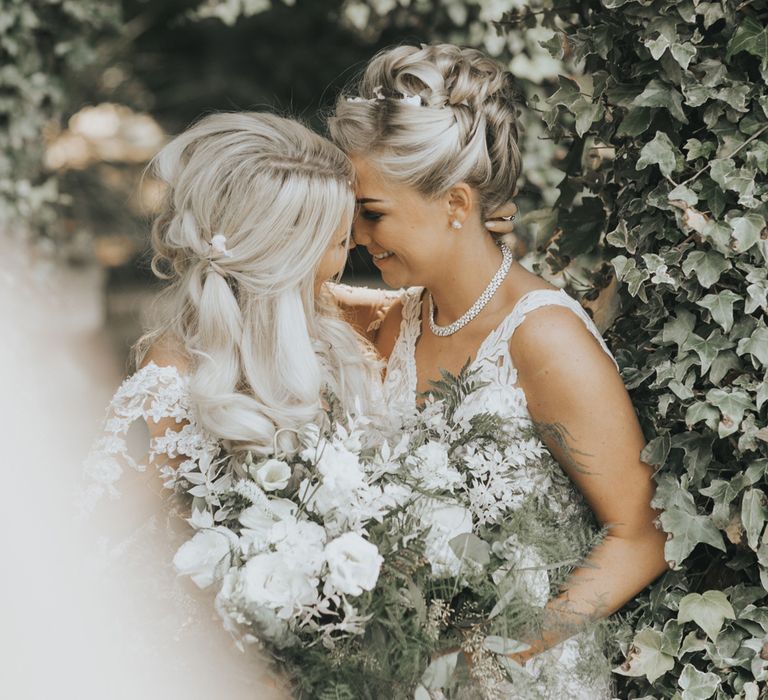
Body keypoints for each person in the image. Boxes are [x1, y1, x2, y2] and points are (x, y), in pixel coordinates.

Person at [329, 43, 670, 698]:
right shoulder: (403, 320)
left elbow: (643, 534)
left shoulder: (544, 339)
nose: (356, 237)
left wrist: (505, 652)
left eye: (372, 213)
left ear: (456, 203)